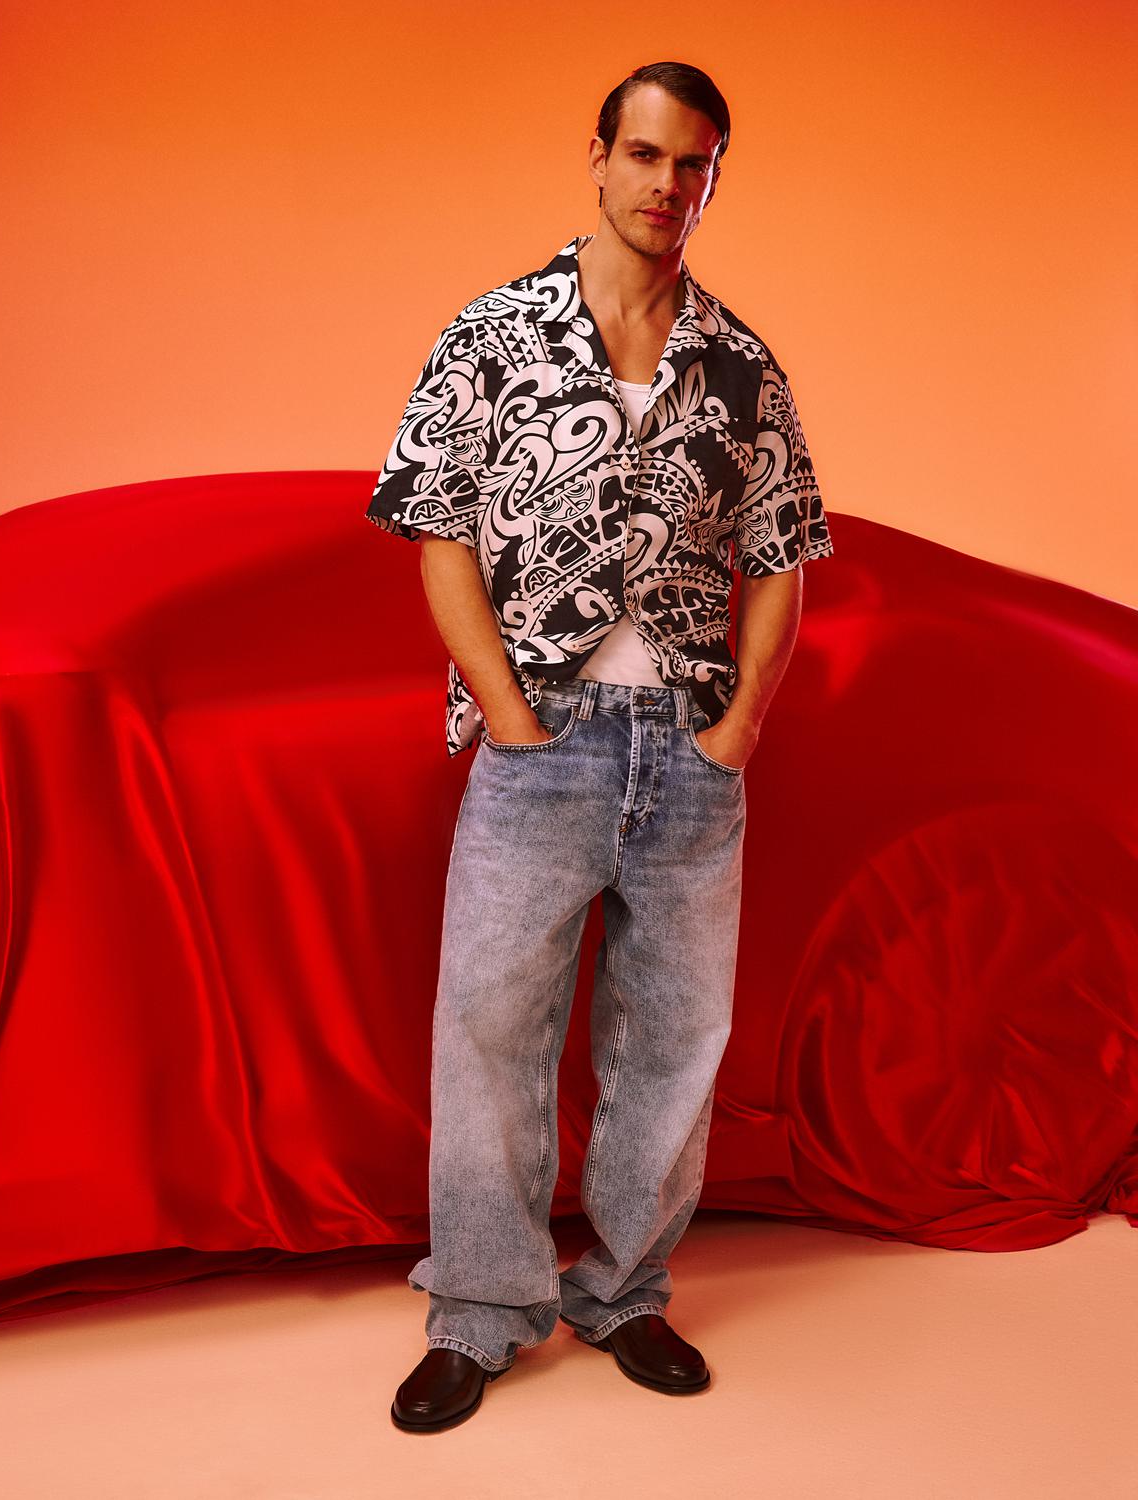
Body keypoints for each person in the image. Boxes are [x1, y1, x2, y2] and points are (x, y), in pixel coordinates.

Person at [365, 60, 835, 1433]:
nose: (663, 186)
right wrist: (507, 712)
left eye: (691, 165)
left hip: (690, 753)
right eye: (642, 155)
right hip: (543, 739)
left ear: (712, 178)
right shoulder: (496, 335)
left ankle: (625, 1294)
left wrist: (739, 727)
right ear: (598, 157)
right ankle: (482, 1312)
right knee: (491, 1031)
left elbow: (784, 553)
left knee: (676, 1041)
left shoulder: (744, 366)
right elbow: (436, 529)